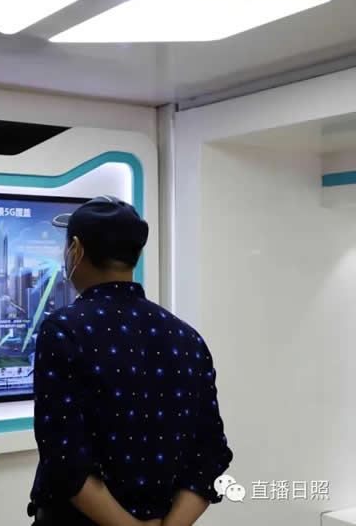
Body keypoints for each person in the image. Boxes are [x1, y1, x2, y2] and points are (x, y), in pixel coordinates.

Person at [28, 196, 233, 526]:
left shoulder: (64, 331)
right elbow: (210, 457)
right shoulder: (187, 337)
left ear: (76, 250)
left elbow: (64, 461)